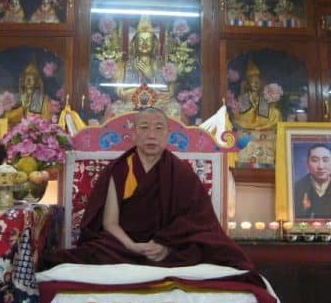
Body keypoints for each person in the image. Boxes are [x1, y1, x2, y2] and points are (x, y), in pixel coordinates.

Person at [43, 107, 256, 273]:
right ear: (134, 134)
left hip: (170, 248)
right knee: (93, 253)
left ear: (167, 134)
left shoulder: (181, 173)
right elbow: (110, 223)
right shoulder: (118, 170)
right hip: (123, 248)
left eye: (158, 128)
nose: (151, 135)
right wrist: (133, 247)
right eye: (144, 128)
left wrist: (166, 246)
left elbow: (197, 221)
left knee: (213, 251)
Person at [106, 15, 180, 120]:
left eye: (148, 41)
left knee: (174, 109)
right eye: (140, 41)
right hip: (131, 107)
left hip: (159, 108)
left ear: (154, 44)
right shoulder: (125, 67)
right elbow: (121, 92)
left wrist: (149, 74)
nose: (144, 44)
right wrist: (141, 94)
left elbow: (168, 92)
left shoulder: (162, 67)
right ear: (134, 44)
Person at [234, 60, 281, 131]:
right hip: (248, 121)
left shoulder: (263, 97)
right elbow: (243, 114)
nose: (255, 84)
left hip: (261, 120)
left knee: (276, 113)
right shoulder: (243, 97)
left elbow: (264, 114)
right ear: (247, 83)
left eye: (257, 82)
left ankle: (261, 127)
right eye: (252, 82)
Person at [6, 59, 51, 126]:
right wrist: (23, 108)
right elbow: (7, 118)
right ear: (22, 81)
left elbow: (46, 121)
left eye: (31, 78)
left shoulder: (43, 99)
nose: (28, 80)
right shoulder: (18, 97)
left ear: (37, 82)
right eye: (26, 78)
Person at [294, 144, 331, 219]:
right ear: (307, 164)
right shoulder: (296, 188)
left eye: (325, 160)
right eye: (315, 160)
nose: (321, 166)